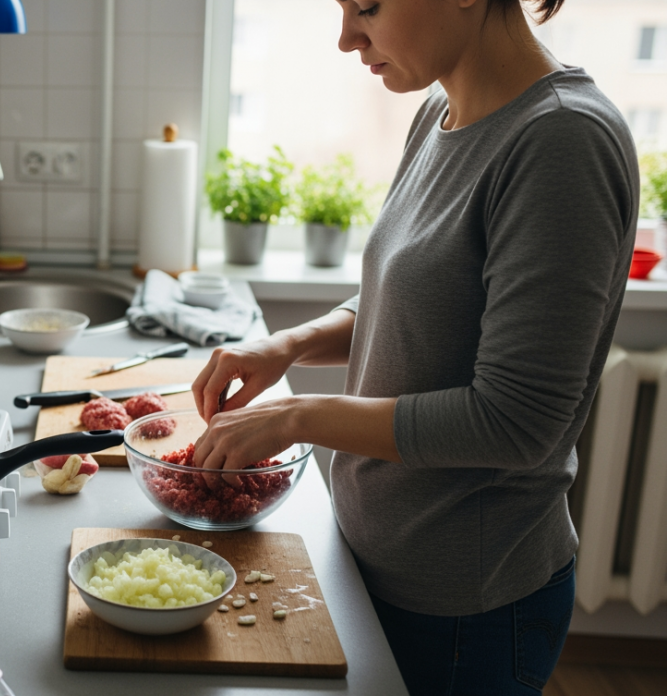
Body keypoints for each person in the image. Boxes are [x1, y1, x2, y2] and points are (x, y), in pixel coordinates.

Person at [190, 1, 638, 694]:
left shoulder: (561, 142)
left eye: (367, 6)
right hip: (376, 555)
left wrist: (293, 417)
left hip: (466, 606)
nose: (346, 38)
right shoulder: (440, 110)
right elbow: (411, 297)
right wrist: (287, 345)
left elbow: (516, 421)